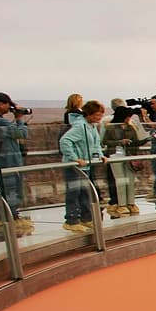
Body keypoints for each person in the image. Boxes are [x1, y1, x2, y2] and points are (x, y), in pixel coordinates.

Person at [59, 100, 106, 233]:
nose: (99, 118)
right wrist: (74, 158)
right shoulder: (80, 126)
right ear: (89, 114)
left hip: (87, 165)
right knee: (74, 192)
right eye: (97, 115)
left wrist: (100, 155)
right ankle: (71, 220)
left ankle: (86, 218)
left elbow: (95, 144)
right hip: (75, 167)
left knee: (86, 192)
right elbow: (65, 141)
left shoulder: (91, 126)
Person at [0, 92, 33, 237]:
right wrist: (19, 118)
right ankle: (11, 218)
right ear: (0, 104)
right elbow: (21, 134)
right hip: (6, 163)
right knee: (10, 191)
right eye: (8, 104)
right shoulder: (0, 122)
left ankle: (5, 218)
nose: (9, 108)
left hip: (3, 162)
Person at [101, 105, 147, 216]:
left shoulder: (130, 127)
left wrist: (144, 140)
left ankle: (131, 203)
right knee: (120, 180)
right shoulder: (111, 127)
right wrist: (120, 142)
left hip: (128, 155)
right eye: (127, 117)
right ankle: (121, 204)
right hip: (115, 156)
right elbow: (105, 142)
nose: (128, 119)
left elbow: (136, 140)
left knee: (130, 180)